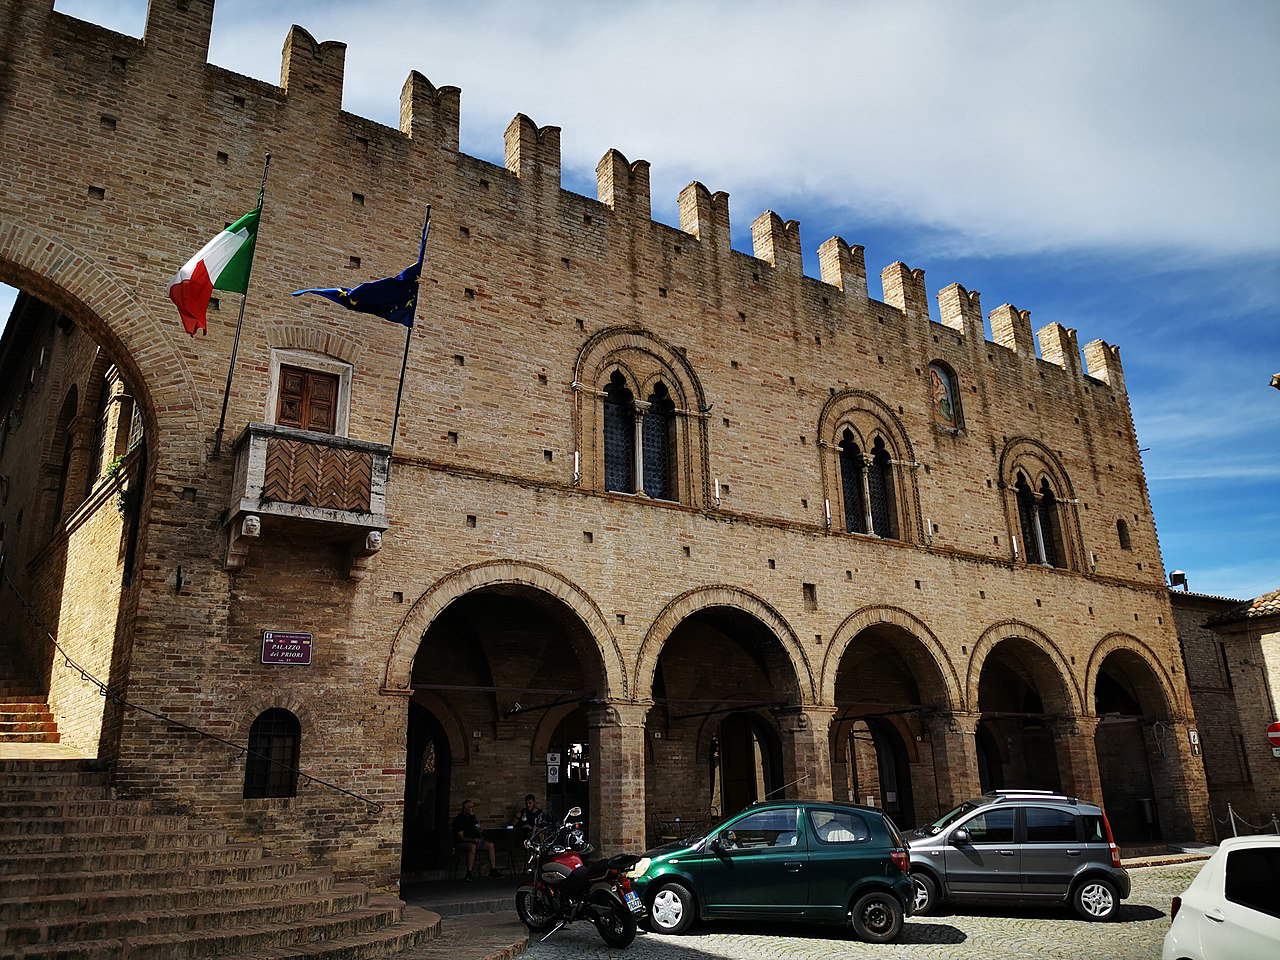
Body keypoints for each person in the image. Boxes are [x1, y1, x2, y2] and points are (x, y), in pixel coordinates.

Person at [451, 799, 498, 881]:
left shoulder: (473, 818)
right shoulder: (459, 819)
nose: (472, 809)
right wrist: (473, 839)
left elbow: (478, 829)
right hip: (462, 843)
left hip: (475, 841)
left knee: (490, 845)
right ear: (465, 808)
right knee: (472, 846)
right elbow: (461, 837)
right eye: (470, 807)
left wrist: (480, 830)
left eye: (472, 807)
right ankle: (469, 873)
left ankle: (493, 870)